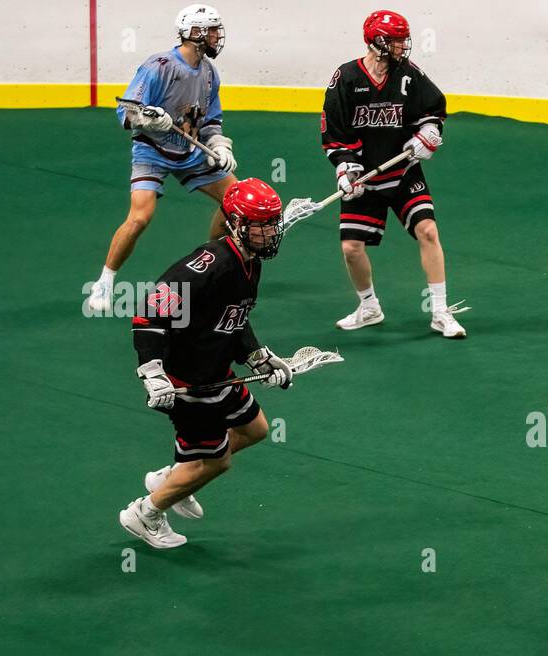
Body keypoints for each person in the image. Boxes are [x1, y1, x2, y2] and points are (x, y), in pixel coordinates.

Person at [119, 178, 294, 549]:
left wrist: (257, 356)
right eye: (260, 224)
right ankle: (145, 513)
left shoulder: (250, 261)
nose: (269, 232)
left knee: (256, 429)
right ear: (235, 224)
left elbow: (235, 318)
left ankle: (177, 477)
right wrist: (152, 373)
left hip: (217, 374)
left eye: (272, 223)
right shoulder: (207, 266)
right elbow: (150, 313)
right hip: (188, 383)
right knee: (216, 462)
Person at [321, 9, 468, 337]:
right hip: (365, 179)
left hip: (403, 173)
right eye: (397, 40)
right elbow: (334, 133)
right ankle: (369, 306)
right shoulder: (346, 79)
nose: (404, 46)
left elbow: (434, 108)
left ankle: (441, 312)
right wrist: (346, 169)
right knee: (351, 248)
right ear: (378, 41)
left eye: (404, 39)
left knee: (428, 230)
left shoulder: (409, 75)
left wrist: (428, 132)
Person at [85, 5, 239, 315]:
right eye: (210, 30)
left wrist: (221, 146)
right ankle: (105, 281)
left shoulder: (209, 72)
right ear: (194, 33)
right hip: (152, 151)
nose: (216, 36)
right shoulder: (159, 66)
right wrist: (149, 119)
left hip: (191, 151)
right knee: (140, 217)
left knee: (235, 201)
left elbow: (211, 122)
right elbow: (126, 113)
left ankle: (212, 265)